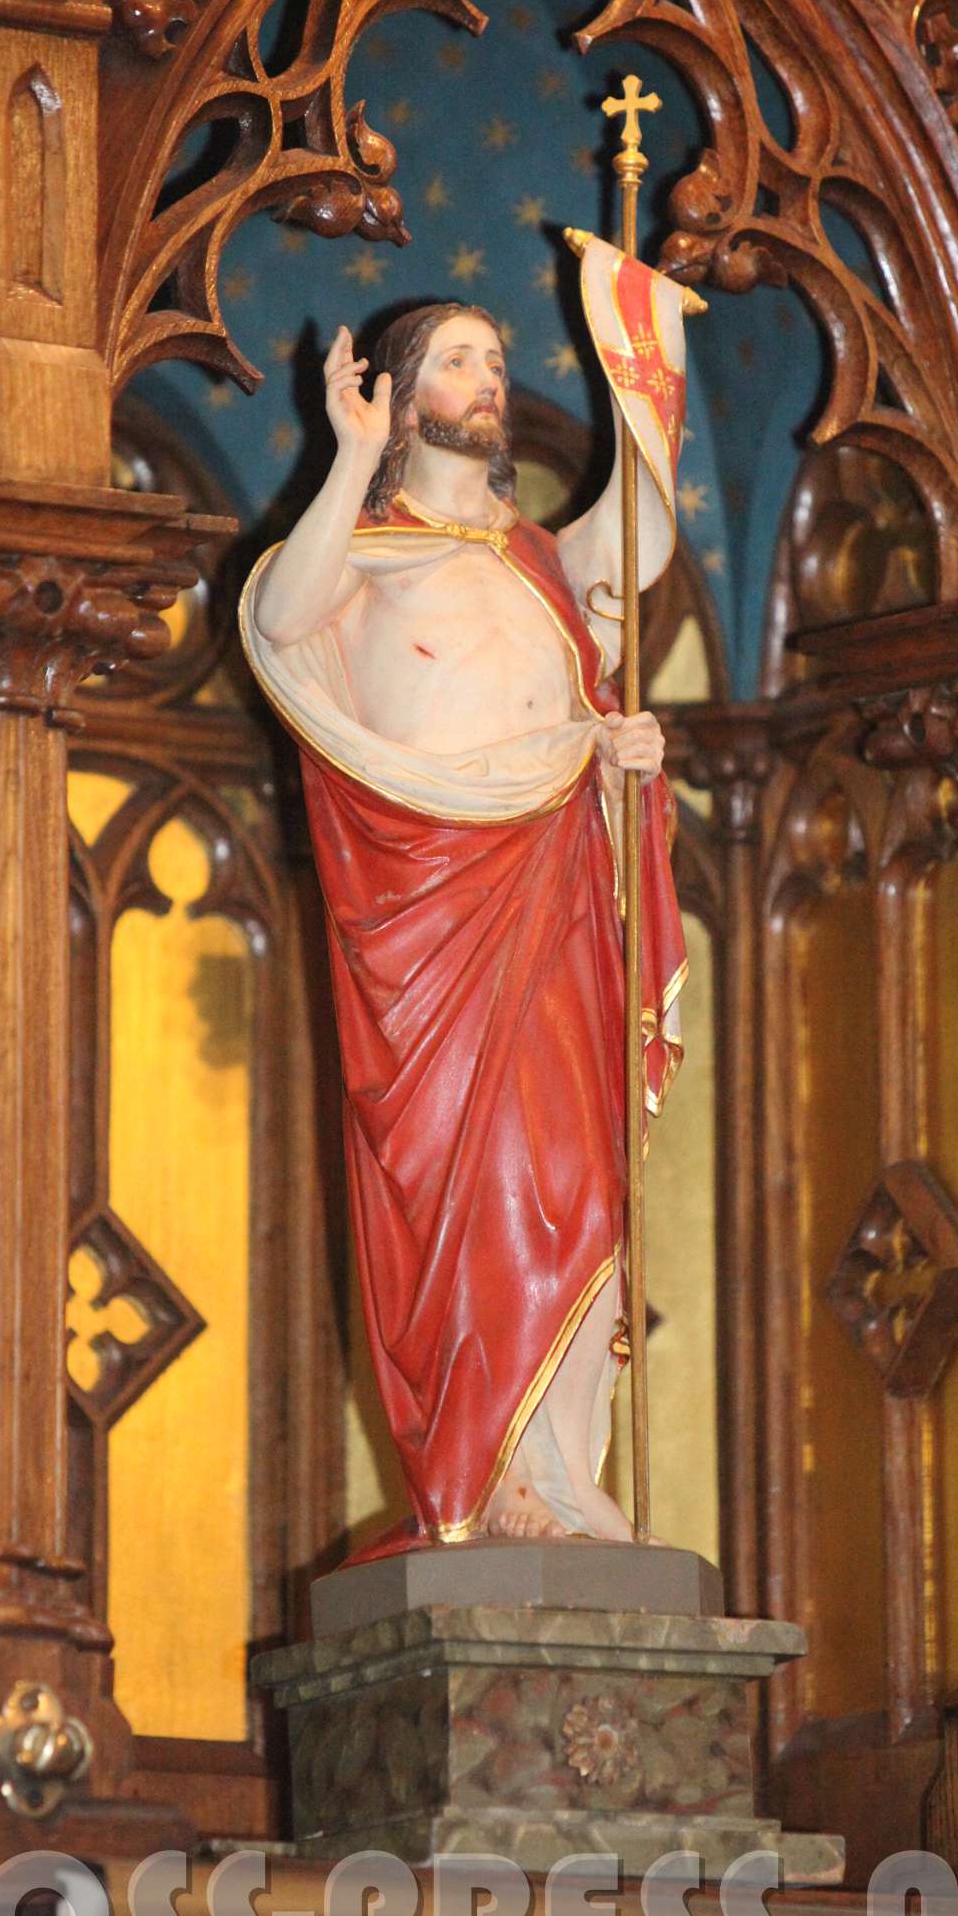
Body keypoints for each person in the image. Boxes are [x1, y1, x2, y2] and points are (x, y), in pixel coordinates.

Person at [242, 301, 686, 1547]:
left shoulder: (537, 560)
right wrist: (346, 454)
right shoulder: (361, 551)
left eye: (494, 359)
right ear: (396, 393)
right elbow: (280, 619)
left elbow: (638, 535)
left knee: (574, 1176)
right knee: (463, 1183)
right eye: (455, 360)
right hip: (427, 910)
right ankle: (485, 1479)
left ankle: (557, 1470)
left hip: (551, 884)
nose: (485, 377)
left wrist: (646, 345)